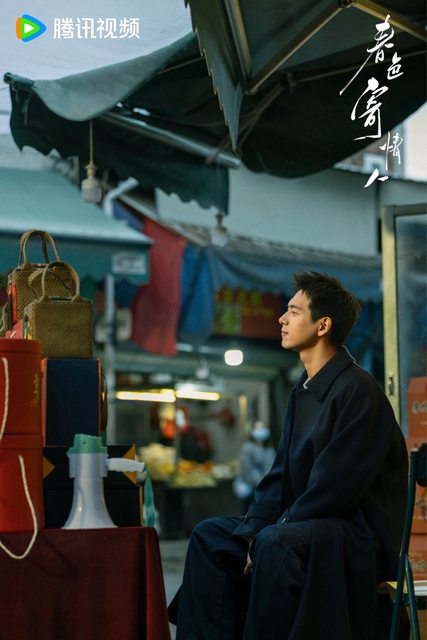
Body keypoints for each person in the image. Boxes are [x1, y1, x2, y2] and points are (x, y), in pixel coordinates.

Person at [168, 271, 408, 640]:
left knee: (273, 543)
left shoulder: (359, 390)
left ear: (323, 325)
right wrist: (253, 529)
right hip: (308, 523)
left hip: (355, 534)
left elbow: (335, 488)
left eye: (294, 311)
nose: (282, 319)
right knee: (210, 537)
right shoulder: (302, 391)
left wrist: (272, 529)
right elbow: (278, 476)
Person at [233, 421, 276, 512]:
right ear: (252, 431)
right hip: (251, 488)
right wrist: (260, 483)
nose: (261, 431)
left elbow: (270, 467)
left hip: (266, 488)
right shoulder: (247, 448)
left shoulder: (270, 449)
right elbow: (246, 469)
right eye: (258, 428)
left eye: (263, 428)